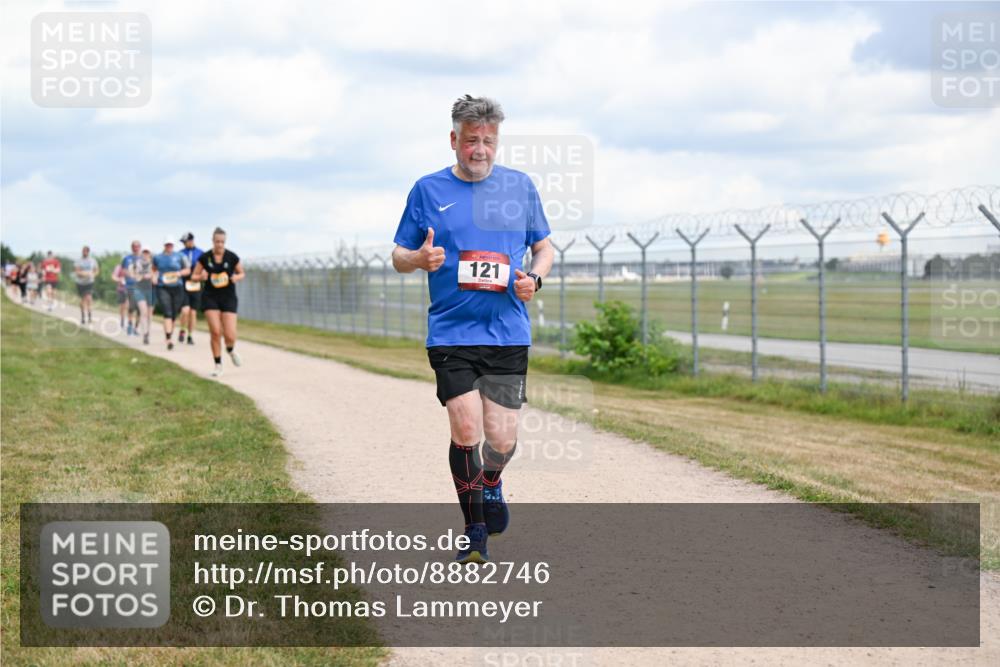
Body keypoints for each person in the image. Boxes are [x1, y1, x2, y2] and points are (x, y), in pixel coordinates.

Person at [391, 95, 553, 564]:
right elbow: (399, 255)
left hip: (506, 333)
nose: (479, 149)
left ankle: (493, 481)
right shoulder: (427, 189)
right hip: (450, 333)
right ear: (453, 141)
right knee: (465, 429)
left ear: (496, 141)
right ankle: (474, 529)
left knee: (500, 441)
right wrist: (419, 259)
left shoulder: (520, 188)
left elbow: (544, 248)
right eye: (470, 141)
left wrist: (535, 278)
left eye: (488, 141)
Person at [190, 227, 244, 377]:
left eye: (222, 242)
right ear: (213, 241)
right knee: (215, 331)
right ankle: (218, 365)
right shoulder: (205, 257)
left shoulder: (232, 257)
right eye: (217, 241)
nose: (220, 244)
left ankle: (231, 350)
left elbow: (242, 272)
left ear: (225, 242)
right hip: (210, 296)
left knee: (230, 335)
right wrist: (201, 277)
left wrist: (236, 278)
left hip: (228, 297)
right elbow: (194, 276)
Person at [152, 237, 190, 351]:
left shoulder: (180, 256)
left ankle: (169, 333)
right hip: (162, 287)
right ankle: (168, 339)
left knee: (174, 313)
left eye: (171, 244)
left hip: (177, 287)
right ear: (164, 245)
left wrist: (179, 273)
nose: (169, 246)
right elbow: (153, 270)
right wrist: (154, 278)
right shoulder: (158, 257)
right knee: (167, 311)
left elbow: (187, 270)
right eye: (167, 244)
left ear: (173, 245)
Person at [178, 232, 204, 345]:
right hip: (184, 284)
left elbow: (204, 267)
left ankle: (190, 335)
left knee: (193, 313)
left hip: (196, 284)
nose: (184, 244)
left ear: (191, 240)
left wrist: (203, 274)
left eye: (185, 242)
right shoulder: (180, 254)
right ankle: (182, 329)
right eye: (183, 242)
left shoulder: (200, 253)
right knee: (185, 311)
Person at [129, 248, 156, 345]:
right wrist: (139, 276)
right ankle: (145, 334)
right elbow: (132, 275)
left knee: (149, 314)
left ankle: (148, 332)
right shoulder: (136, 264)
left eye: (147, 252)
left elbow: (156, 278)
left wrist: (152, 276)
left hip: (151, 290)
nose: (145, 254)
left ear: (150, 254)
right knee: (143, 311)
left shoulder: (154, 265)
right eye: (144, 252)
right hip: (139, 289)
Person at [120, 241, 143, 336]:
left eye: (137, 246)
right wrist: (132, 275)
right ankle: (129, 324)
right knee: (131, 306)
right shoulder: (127, 258)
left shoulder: (144, 258)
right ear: (131, 247)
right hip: (130, 285)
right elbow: (124, 271)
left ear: (140, 247)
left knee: (140, 308)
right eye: (134, 246)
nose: (136, 248)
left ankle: (136, 327)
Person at [73, 245, 100, 325]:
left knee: (89, 298)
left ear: (88, 252)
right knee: (82, 300)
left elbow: (96, 270)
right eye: (83, 251)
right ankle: (83, 317)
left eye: (86, 251)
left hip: (89, 283)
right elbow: (77, 272)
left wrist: (93, 275)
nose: (84, 252)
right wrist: (85, 274)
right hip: (80, 283)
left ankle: (90, 317)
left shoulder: (93, 261)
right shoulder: (78, 261)